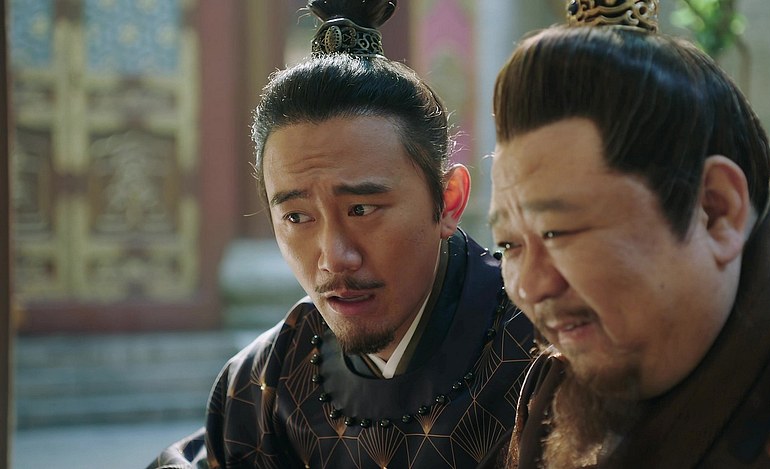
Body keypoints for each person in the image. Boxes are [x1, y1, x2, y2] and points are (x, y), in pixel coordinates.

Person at [148, 1, 535, 468]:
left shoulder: (541, 351)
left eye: (361, 209)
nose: (334, 258)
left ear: (449, 201)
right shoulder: (266, 381)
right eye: (297, 217)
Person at [487, 0, 770, 467]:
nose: (529, 287)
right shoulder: (553, 386)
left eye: (557, 232)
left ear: (715, 210)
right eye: (509, 244)